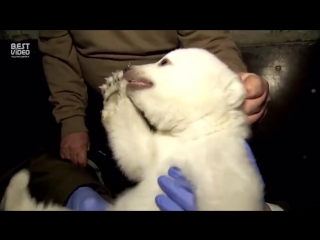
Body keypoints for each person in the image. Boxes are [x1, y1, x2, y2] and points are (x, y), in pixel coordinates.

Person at [26, 30, 270, 208]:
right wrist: (72, 119)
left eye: (164, 63)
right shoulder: (170, 139)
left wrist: (233, 80)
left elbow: (207, 39)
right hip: (95, 106)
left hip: (181, 106)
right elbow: (57, 53)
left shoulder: (219, 144)